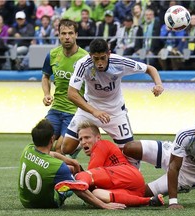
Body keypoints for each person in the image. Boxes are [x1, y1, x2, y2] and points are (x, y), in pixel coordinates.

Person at [61, 38, 164, 167]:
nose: (99, 63)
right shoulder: (82, 64)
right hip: (90, 109)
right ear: (90, 56)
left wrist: (158, 84)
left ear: (109, 54)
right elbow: (71, 94)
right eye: (96, 58)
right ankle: (80, 146)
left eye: (103, 58)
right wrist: (94, 111)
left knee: (130, 152)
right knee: (66, 148)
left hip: (115, 112)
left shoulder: (120, 62)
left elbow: (150, 68)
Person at [123, 114, 195, 209]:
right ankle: (129, 177)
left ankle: (121, 191)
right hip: (173, 157)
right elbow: (174, 166)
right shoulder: (186, 134)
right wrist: (173, 202)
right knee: (130, 148)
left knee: (138, 193)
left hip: (187, 176)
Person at [55, 121, 164, 208]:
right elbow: (94, 187)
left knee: (81, 177)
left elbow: (90, 176)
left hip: (125, 172)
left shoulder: (101, 145)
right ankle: (149, 201)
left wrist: (77, 175)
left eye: (87, 137)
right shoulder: (100, 148)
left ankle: (77, 182)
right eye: (80, 139)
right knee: (98, 194)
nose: (83, 142)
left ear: (98, 138)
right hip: (135, 188)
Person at [41, 19, 88, 154]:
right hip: (56, 108)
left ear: (76, 35)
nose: (67, 37)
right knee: (42, 142)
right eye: (63, 33)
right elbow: (45, 77)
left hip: (75, 111)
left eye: (70, 33)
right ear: (59, 35)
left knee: (60, 148)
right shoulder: (52, 55)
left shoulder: (85, 58)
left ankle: (75, 147)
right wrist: (46, 94)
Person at [18, 119, 81, 208]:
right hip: (48, 204)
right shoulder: (58, 166)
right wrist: (104, 205)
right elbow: (80, 191)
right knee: (70, 177)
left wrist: (71, 161)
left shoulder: (27, 149)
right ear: (52, 139)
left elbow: (51, 154)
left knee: (69, 169)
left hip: (25, 202)